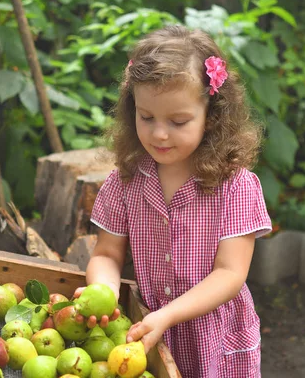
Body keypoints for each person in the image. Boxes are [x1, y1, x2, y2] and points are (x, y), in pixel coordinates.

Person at [73, 25, 272, 377]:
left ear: (211, 117)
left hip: (214, 340)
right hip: (147, 331)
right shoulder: (127, 181)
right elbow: (106, 254)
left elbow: (230, 274)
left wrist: (169, 314)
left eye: (178, 121)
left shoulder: (235, 186)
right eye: (146, 117)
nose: (159, 133)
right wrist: (100, 294)